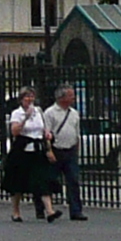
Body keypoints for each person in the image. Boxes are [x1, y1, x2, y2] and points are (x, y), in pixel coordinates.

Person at [46, 83, 87, 221]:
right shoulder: (50, 113)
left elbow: (77, 133)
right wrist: (49, 150)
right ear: (61, 97)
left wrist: (77, 148)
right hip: (56, 149)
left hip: (70, 150)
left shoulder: (74, 113)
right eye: (70, 95)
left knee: (73, 180)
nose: (73, 98)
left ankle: (76, 210)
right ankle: (45, 207)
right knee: (50, 180)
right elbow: (46, 133)